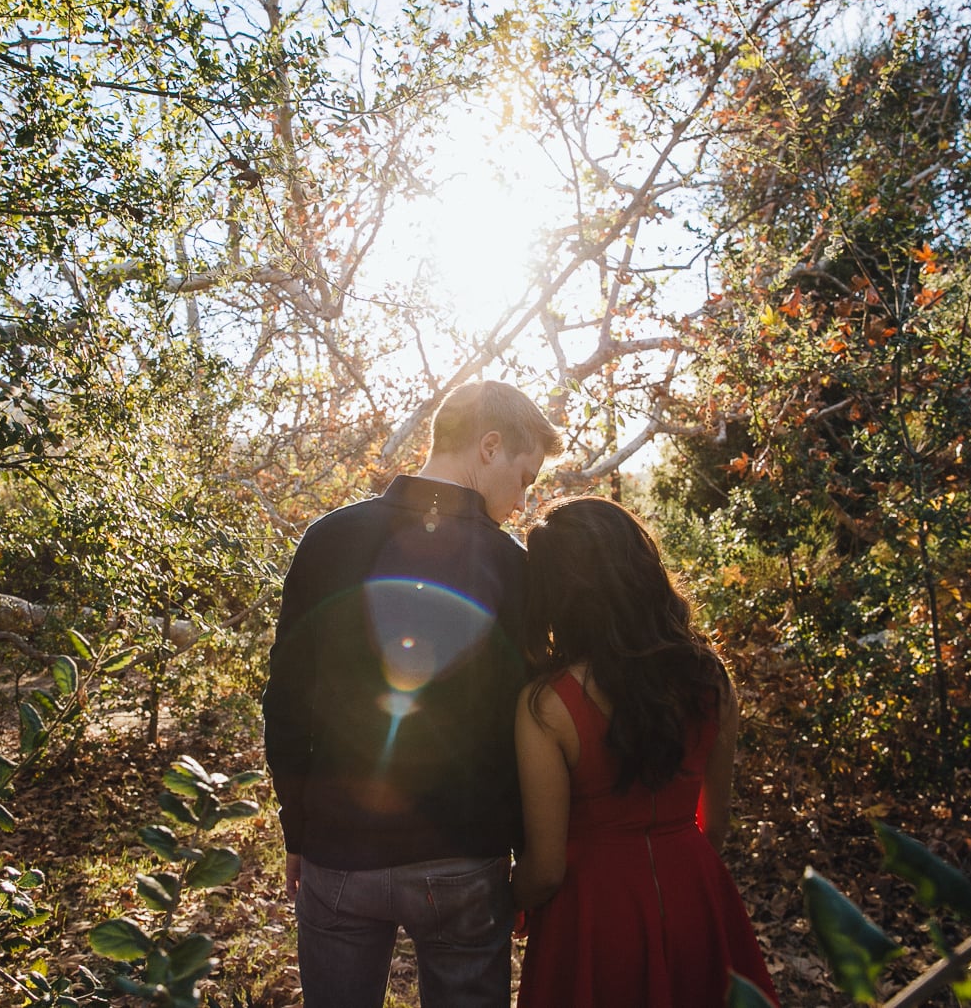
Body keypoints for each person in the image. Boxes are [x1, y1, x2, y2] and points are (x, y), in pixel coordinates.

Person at [263, 381, 563, 1008]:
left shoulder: (329, 538)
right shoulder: (514, 569)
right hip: (464, 859)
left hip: (339, 849)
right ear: (489, 446)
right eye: (526, 474)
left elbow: (287, 698)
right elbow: (530, 719)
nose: (524, 495)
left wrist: (298, 825)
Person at [511, 497, 780, 1008]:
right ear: (642, 568)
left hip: (592, 912)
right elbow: (715, 825)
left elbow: (545, 868)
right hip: (696, 894)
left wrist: (506, 902)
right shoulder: (710, 677)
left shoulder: (547, 705)